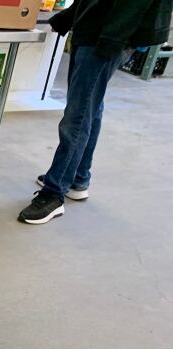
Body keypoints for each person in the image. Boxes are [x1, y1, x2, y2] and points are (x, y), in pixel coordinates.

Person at [18, 0, 172, 224]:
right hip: (91, 30)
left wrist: (113, 38)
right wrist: (69, 17)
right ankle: (78, 179)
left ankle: (54, 194)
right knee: (90, 106)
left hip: (109, 36)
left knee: (77, 117)